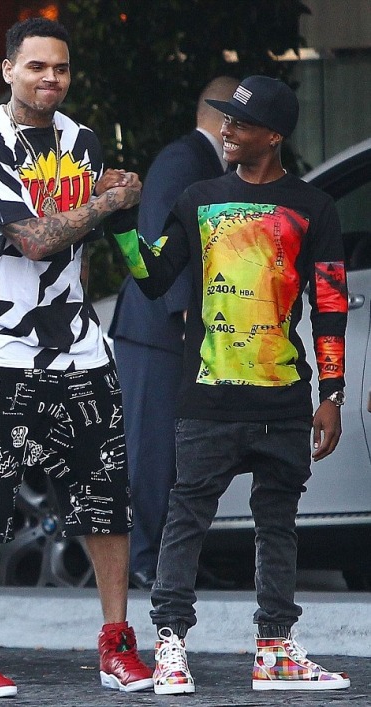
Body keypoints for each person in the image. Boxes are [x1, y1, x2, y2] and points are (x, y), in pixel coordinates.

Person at [0, 17, 152, 700]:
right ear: (7, 70)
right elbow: (30, 238)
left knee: (104, 495)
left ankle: (117, 644)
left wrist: (110, 202)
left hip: (78, 346)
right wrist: (108, 200)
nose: (50, 79)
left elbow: (89, 240)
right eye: (36, 67)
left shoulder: (82, 142)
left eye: (60, 68)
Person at [110, 76, 350, 694]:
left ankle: (275, 649)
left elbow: (329, 305)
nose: (226, 130)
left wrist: (332, 394)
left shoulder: (313, 208)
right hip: (208, 398)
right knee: (185, 519)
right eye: (223, 120)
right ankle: (169, 647)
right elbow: (157, 278)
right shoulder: (196, 197)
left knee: (278, 525)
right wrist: (117, 224)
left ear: (273, 136)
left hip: (283, 399)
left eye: (239, 124)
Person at [109, 76, 239, 591]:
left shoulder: (201, 162)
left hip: (172, 329)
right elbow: (158, 233)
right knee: (152, 448)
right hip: (158, 329)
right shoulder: (185, 158)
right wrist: (186, 315)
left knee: (183, 454)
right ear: (224, 119)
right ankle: (143, 557)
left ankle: (172, 560)